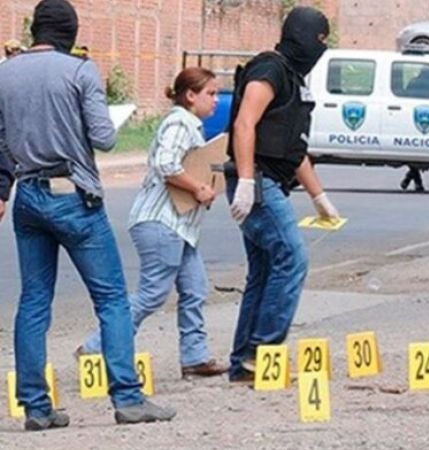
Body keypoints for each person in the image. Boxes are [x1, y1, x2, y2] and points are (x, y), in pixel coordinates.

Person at [0, 0, 175, 430]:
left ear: (35, 29)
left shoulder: (6, 73)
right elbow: (105, 138)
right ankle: (128, 398)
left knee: (34, 301)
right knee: (111, 299)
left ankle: (36, 407)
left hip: (29, 194)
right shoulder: (80, 71)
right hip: (74, 196)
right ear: (71, 33)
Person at [77, 68, 229, 379]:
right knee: (152, 293)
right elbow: (166, 164)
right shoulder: (179, 123)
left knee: (195, 289)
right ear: (190, 95)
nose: (216, 100)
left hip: (179, 225)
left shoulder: (189, 124)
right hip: (162, 221)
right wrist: (198, 188)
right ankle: (97, 347)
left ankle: (195, 358)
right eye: (211, 93)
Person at [225, 6, 340, 383]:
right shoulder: (270, 69)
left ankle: (243, 361)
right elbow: (245, 123)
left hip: (269, 180)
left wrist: (319, 198)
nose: (321, 48)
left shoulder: (292, 77)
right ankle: (263, 352)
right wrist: (246, 180)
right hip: (257, 182)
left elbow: (293, 149)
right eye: (319, 39)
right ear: (302, 36)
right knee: (292, 258)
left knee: (264, 271)